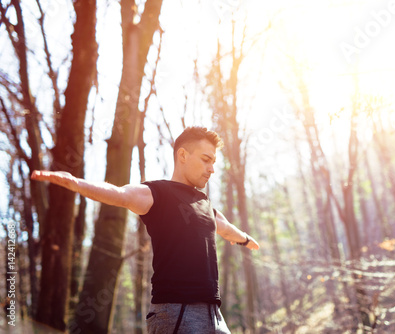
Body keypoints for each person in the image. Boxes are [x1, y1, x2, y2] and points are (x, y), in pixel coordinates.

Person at [31, 126, 259, 334]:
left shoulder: (205, 204)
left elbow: (226, 229)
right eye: (206, 159)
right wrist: (76, 183)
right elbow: (119, 194)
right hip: (177, 312)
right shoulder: (157, 193)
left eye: (214, 163)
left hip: (214, 315)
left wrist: (246, 240)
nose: (211, 169)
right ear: (182, 155)